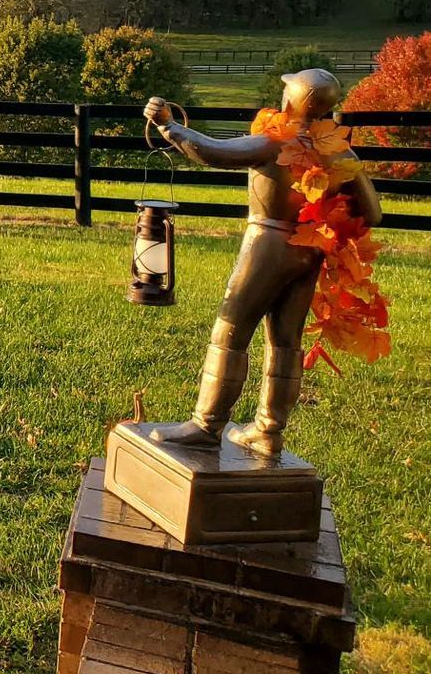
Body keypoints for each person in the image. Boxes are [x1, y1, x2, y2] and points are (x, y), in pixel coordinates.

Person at [141, 69, 380, 457]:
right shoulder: (340, 152)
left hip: (267, 242)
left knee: (230, 330)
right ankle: (269, 431)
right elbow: (372, 212)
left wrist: (170, 128)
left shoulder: (275, 143)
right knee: (286, 340)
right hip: (311, 247)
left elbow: (217, 152)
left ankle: (206, 425)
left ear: (290, 101)